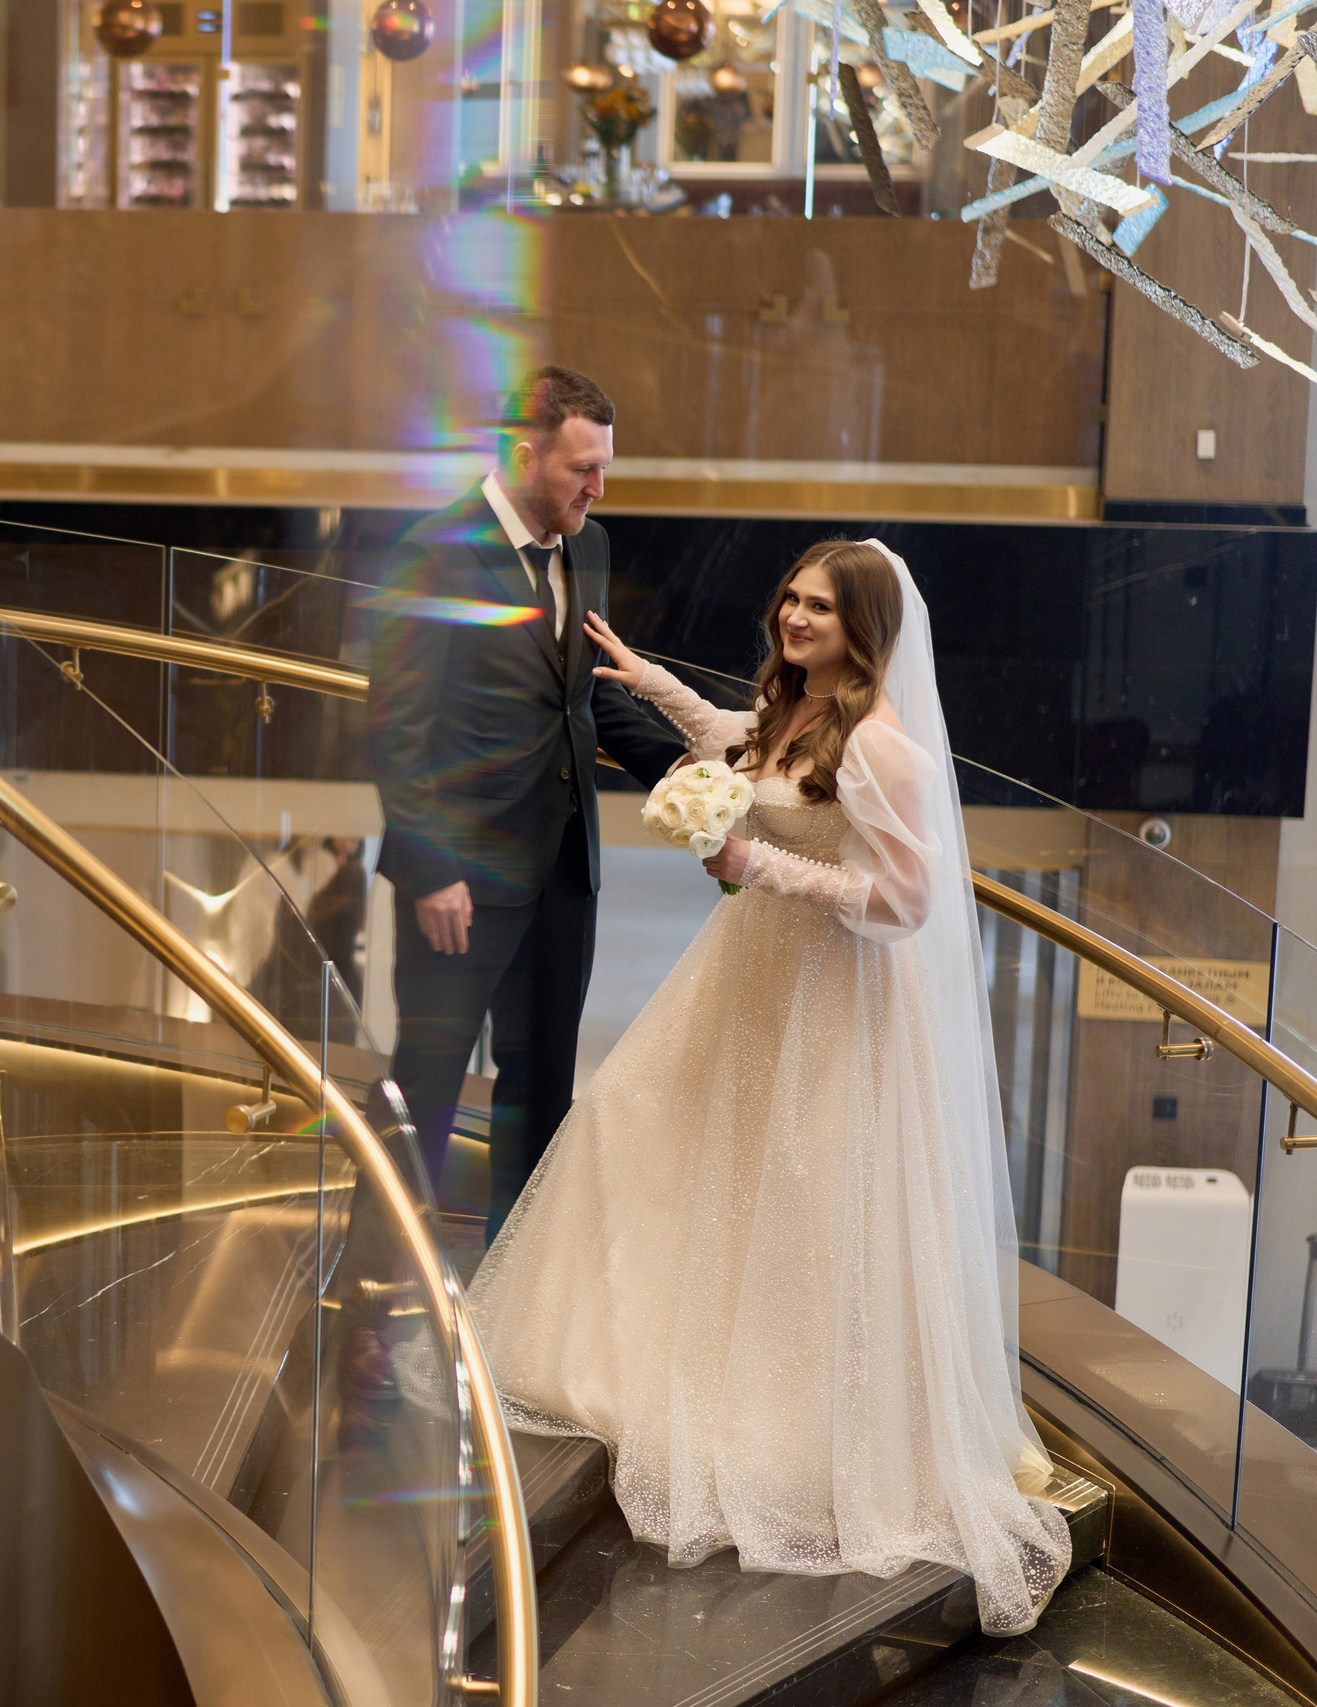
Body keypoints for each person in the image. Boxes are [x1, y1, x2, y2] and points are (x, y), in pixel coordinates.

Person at [469, 539, 1073, 1636]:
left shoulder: (887, 748)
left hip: (826, 1000)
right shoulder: (794, 707)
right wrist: (646, 680)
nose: (795, 620)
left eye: (821, 610)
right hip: (748, 981)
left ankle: (785, 1425)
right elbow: (742, 751)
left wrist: (761, 868)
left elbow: (904, 906)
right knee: (636, 1126)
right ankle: (634, 1357)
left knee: (793, 1196)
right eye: (790, 600)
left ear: (865, 630)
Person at [366, 365, 684, 1231]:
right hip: (459, 882)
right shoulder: (432, 552)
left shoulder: (590, 544)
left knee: (541, 1085)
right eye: (583, 468)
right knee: (424, 1086)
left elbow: (588, 694)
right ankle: (371, 1293)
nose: (599, 486)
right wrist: (430, 870)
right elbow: (400, 727)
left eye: (604, 467)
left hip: (562, 871)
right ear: (522, 452)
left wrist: (694, 773)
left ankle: (513, 1294)